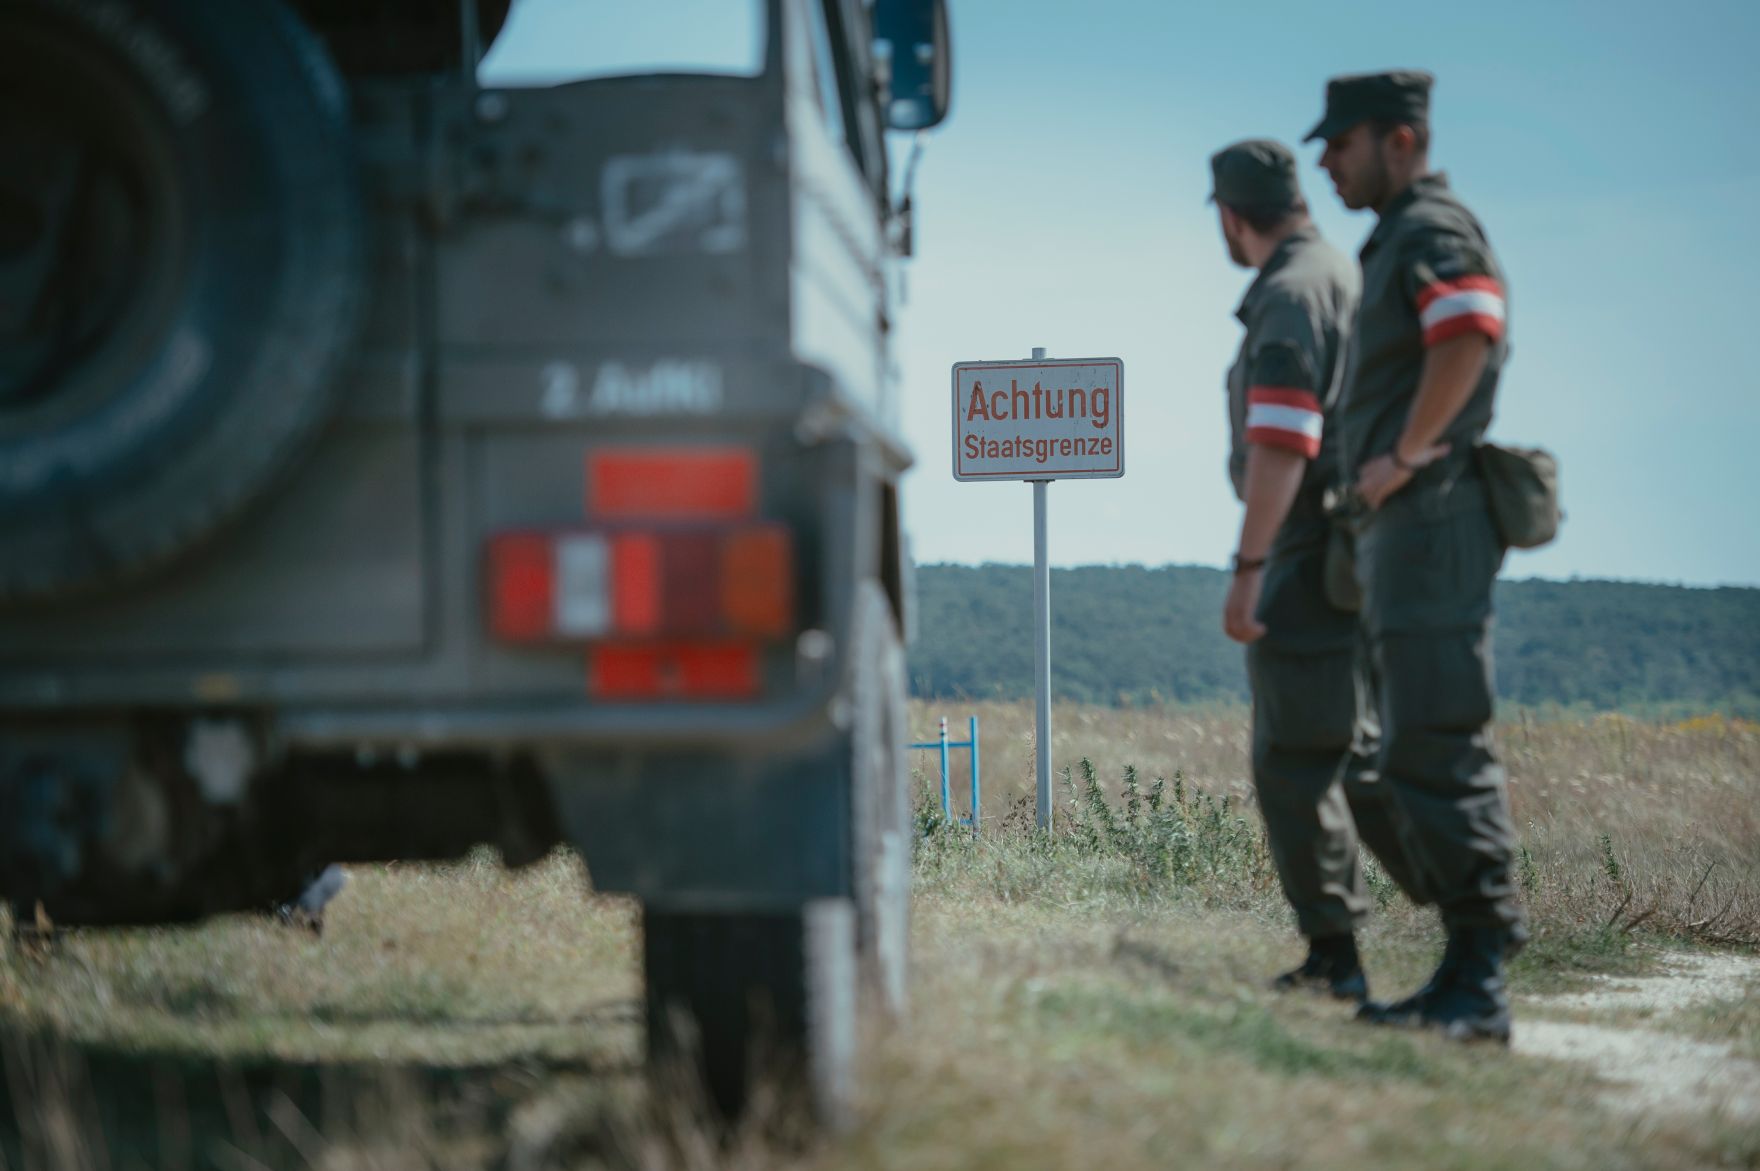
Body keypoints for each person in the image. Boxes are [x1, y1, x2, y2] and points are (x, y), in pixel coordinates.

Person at [1307, 70, 1527, 1042]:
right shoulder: (1396, 234)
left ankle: (1478, 977)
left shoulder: (1431, 229)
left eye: (1340, 142)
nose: (1325, 159)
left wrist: (1400, 457)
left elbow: (1468, 327)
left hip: (1432, 521)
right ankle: (1461, 968)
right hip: (1404, 532)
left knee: (1435, 735)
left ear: (1399, 140)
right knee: (1405, 744)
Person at [1209, 139, 1419, 1002]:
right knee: (1357, 750)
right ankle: (1471, 905)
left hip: (1306, 546)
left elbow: (1283, 436)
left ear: (1230, 215)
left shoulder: (1291, 294)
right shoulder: (1340, 269)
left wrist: (1249, 565)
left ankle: (1340, 955)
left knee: (1296, 757)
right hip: (1360, 545)